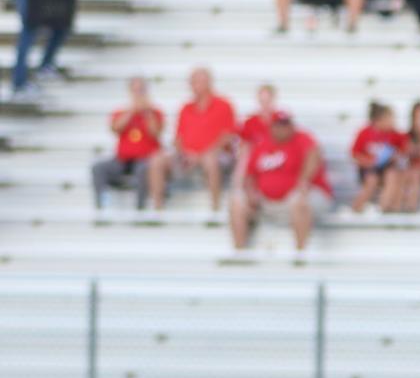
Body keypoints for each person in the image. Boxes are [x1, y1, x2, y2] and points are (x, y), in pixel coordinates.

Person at [230, 109, 331, 251]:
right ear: (272, 127)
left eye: (286, 124)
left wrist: (303, 181)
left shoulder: (302, 138)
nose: (283, 128)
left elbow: (314, 155)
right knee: (237, 201)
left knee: (299, 201)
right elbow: (249, 175)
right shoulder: (262, 143)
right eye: (279, 125)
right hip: (267, 202)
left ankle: (301, 254)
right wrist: (251, 192)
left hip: (299, 197)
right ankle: (239, 252)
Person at [164, 66, 239, 213]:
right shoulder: (185, 107)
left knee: (210, 161)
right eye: (193, 82)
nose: (194, 85)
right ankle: (157, 210)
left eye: (198, 81)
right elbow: (178, 138)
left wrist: (202, 155)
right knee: (157, 161)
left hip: (215, 155)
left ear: (209, 83)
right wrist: (185, 153)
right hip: (189, 155)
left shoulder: (224, 105)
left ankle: (215, 209)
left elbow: (228, 136)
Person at [90, 78, 166, 209]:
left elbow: (156, 133)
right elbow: (116, 129)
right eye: (135, 90)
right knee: (98, 168)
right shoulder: (121, 112)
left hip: (145, 159)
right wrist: (131, 111)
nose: (138, 94)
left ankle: (140, 208)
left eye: (141, 90)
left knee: (144, 170)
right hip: (122, 159)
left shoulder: (155, 113)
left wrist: (146, 112)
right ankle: (101, 206)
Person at [382, 99, 420, 214]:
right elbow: (404, 154)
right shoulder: (408, 135)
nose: (419, 121)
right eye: (417, 118)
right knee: (398, 174)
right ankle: (393, 207)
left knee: (414, 174)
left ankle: (410, 207)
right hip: (413, 168)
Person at [349, 101, 408, 213]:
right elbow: (354, 154)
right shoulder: (365, 133)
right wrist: (368, 162)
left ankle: (382, 208)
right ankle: (356, 208)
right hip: (368, 169)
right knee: (372, 180)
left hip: (385, 169)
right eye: (390, 119)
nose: (392, 122)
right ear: (379, 120)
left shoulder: (394, 134)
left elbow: (405, 149)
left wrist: (395, 156)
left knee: (392, 176)